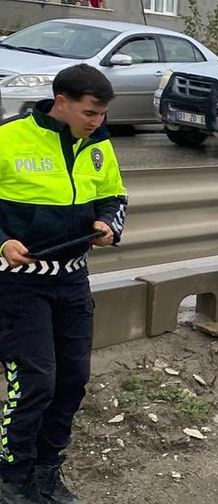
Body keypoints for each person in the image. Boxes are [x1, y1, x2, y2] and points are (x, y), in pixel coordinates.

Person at [0, 64, 127, 503]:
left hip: (73, 280)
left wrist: (109, 223)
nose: (98, 121)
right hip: (19, 283)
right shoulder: (8, 138)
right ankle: (10, 478)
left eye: (102, 113)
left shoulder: (98, 144)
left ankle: (45, 473)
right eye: (91, 112)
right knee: (35, 381)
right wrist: (3, 243)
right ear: (61, 103)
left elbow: (115, 196)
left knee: (72, 380)